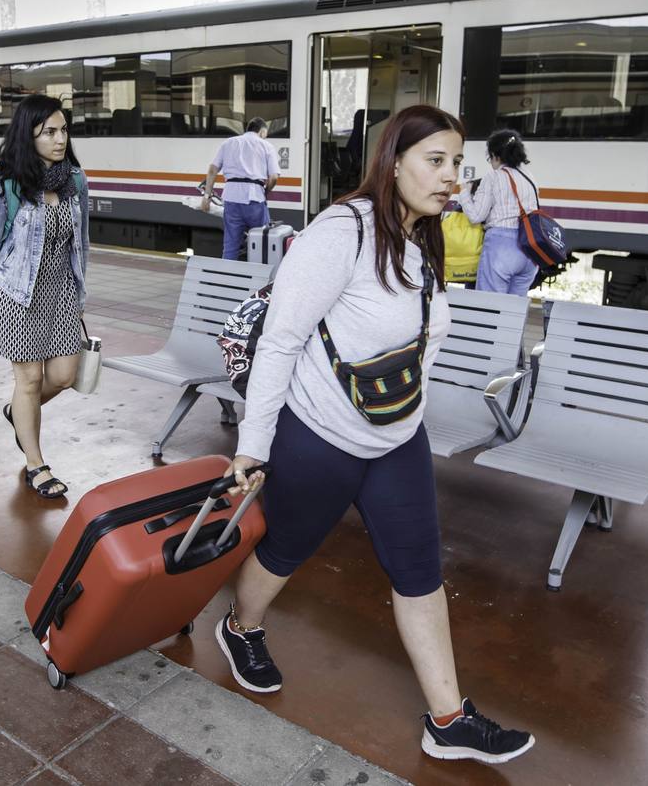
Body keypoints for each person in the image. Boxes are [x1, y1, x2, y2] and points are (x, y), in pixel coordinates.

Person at [217, 105, 535, 765]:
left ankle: (448, 721)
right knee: (284, 551)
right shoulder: (342, 230)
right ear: (393, 162)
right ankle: (240, 627)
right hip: (320, 434)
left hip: (397, 440)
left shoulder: (422, 236)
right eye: (436, 161)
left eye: (457, 163)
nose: (452, 177)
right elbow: (280, 340)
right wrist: (253, 445)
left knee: (420, 572)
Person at [0, 94, 89, 499]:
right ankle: (36, 464)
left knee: (64, 376)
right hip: (17, 294)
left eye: (64, 130)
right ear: (28, 135)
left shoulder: (75, 181)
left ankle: (18, 413)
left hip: (61, 293)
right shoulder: (7, 187)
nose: (60, 139)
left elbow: (82, 244)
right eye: (49, 131)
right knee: (30, 380)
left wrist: (81, 291)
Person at [457, 128, 539, 296]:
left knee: (490, 307)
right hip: (530, 251)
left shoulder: (493, 177)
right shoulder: (529, 177)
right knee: (513, 311)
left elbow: (476, 216)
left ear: (495, 155)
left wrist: (464, 192)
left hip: (502, 247)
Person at [200, 117, 278, 259]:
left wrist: (206, 197)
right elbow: (273, 178)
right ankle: (259, 279)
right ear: (261, 131)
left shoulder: (229, 143)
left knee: (230, 245)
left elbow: (212, 170)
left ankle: (227, 278)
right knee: (262, 243)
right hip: (255, 199)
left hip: (231, 199)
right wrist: (265, 193)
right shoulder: (266, 146)